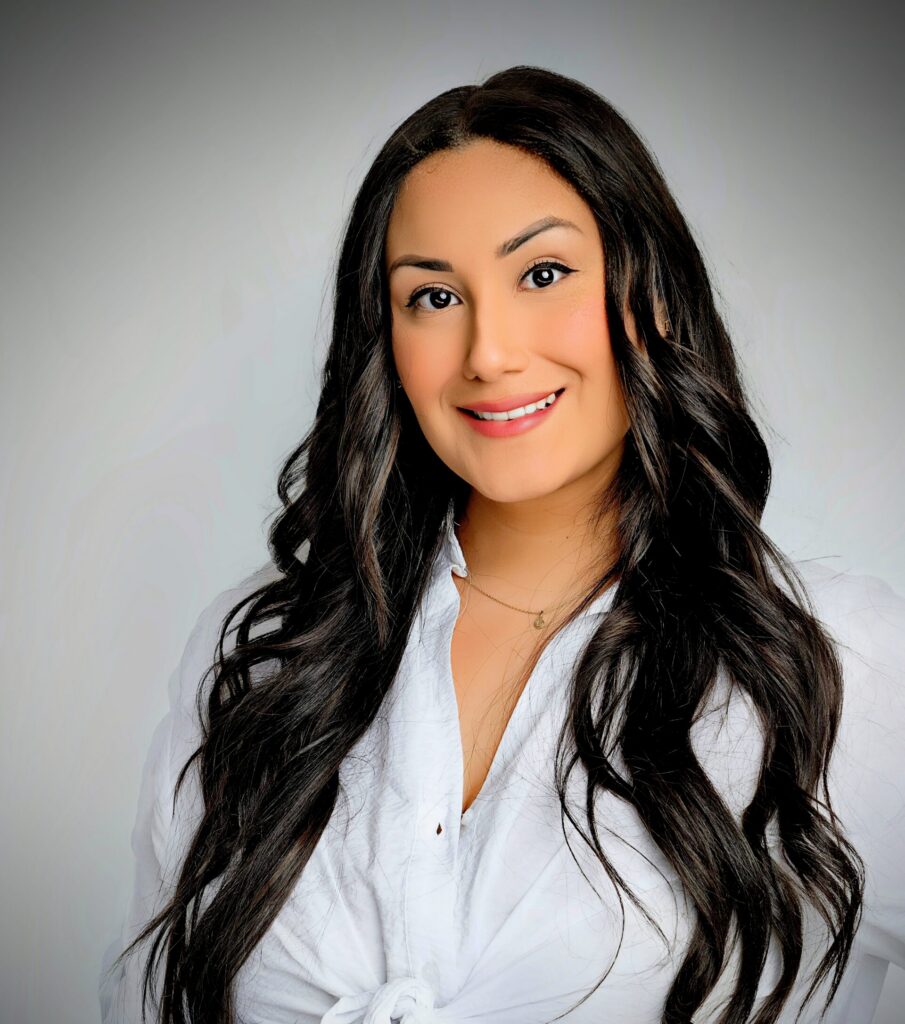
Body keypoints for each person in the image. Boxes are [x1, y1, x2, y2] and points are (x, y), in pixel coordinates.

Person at [98, 65, 905, 1024]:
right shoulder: (265, 666)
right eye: (432, 298)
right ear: (384, 343)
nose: (488, 352)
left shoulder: (837, 663)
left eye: (543, 274)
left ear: (645, 295)